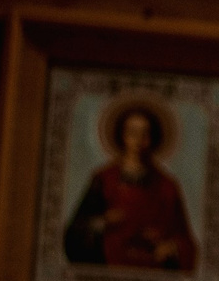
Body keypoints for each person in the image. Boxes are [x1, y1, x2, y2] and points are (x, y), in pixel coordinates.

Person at [62, 101, 197, 271]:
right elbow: (76, 231)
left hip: (152, 266)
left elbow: (184, 240)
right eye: (133, 133)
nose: (139, 141)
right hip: (108, 262)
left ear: (153, 138)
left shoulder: (167, 186)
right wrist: (104, 221)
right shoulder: (104, 179)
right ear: (122, 136)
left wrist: (172, 246)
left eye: (145, 134)